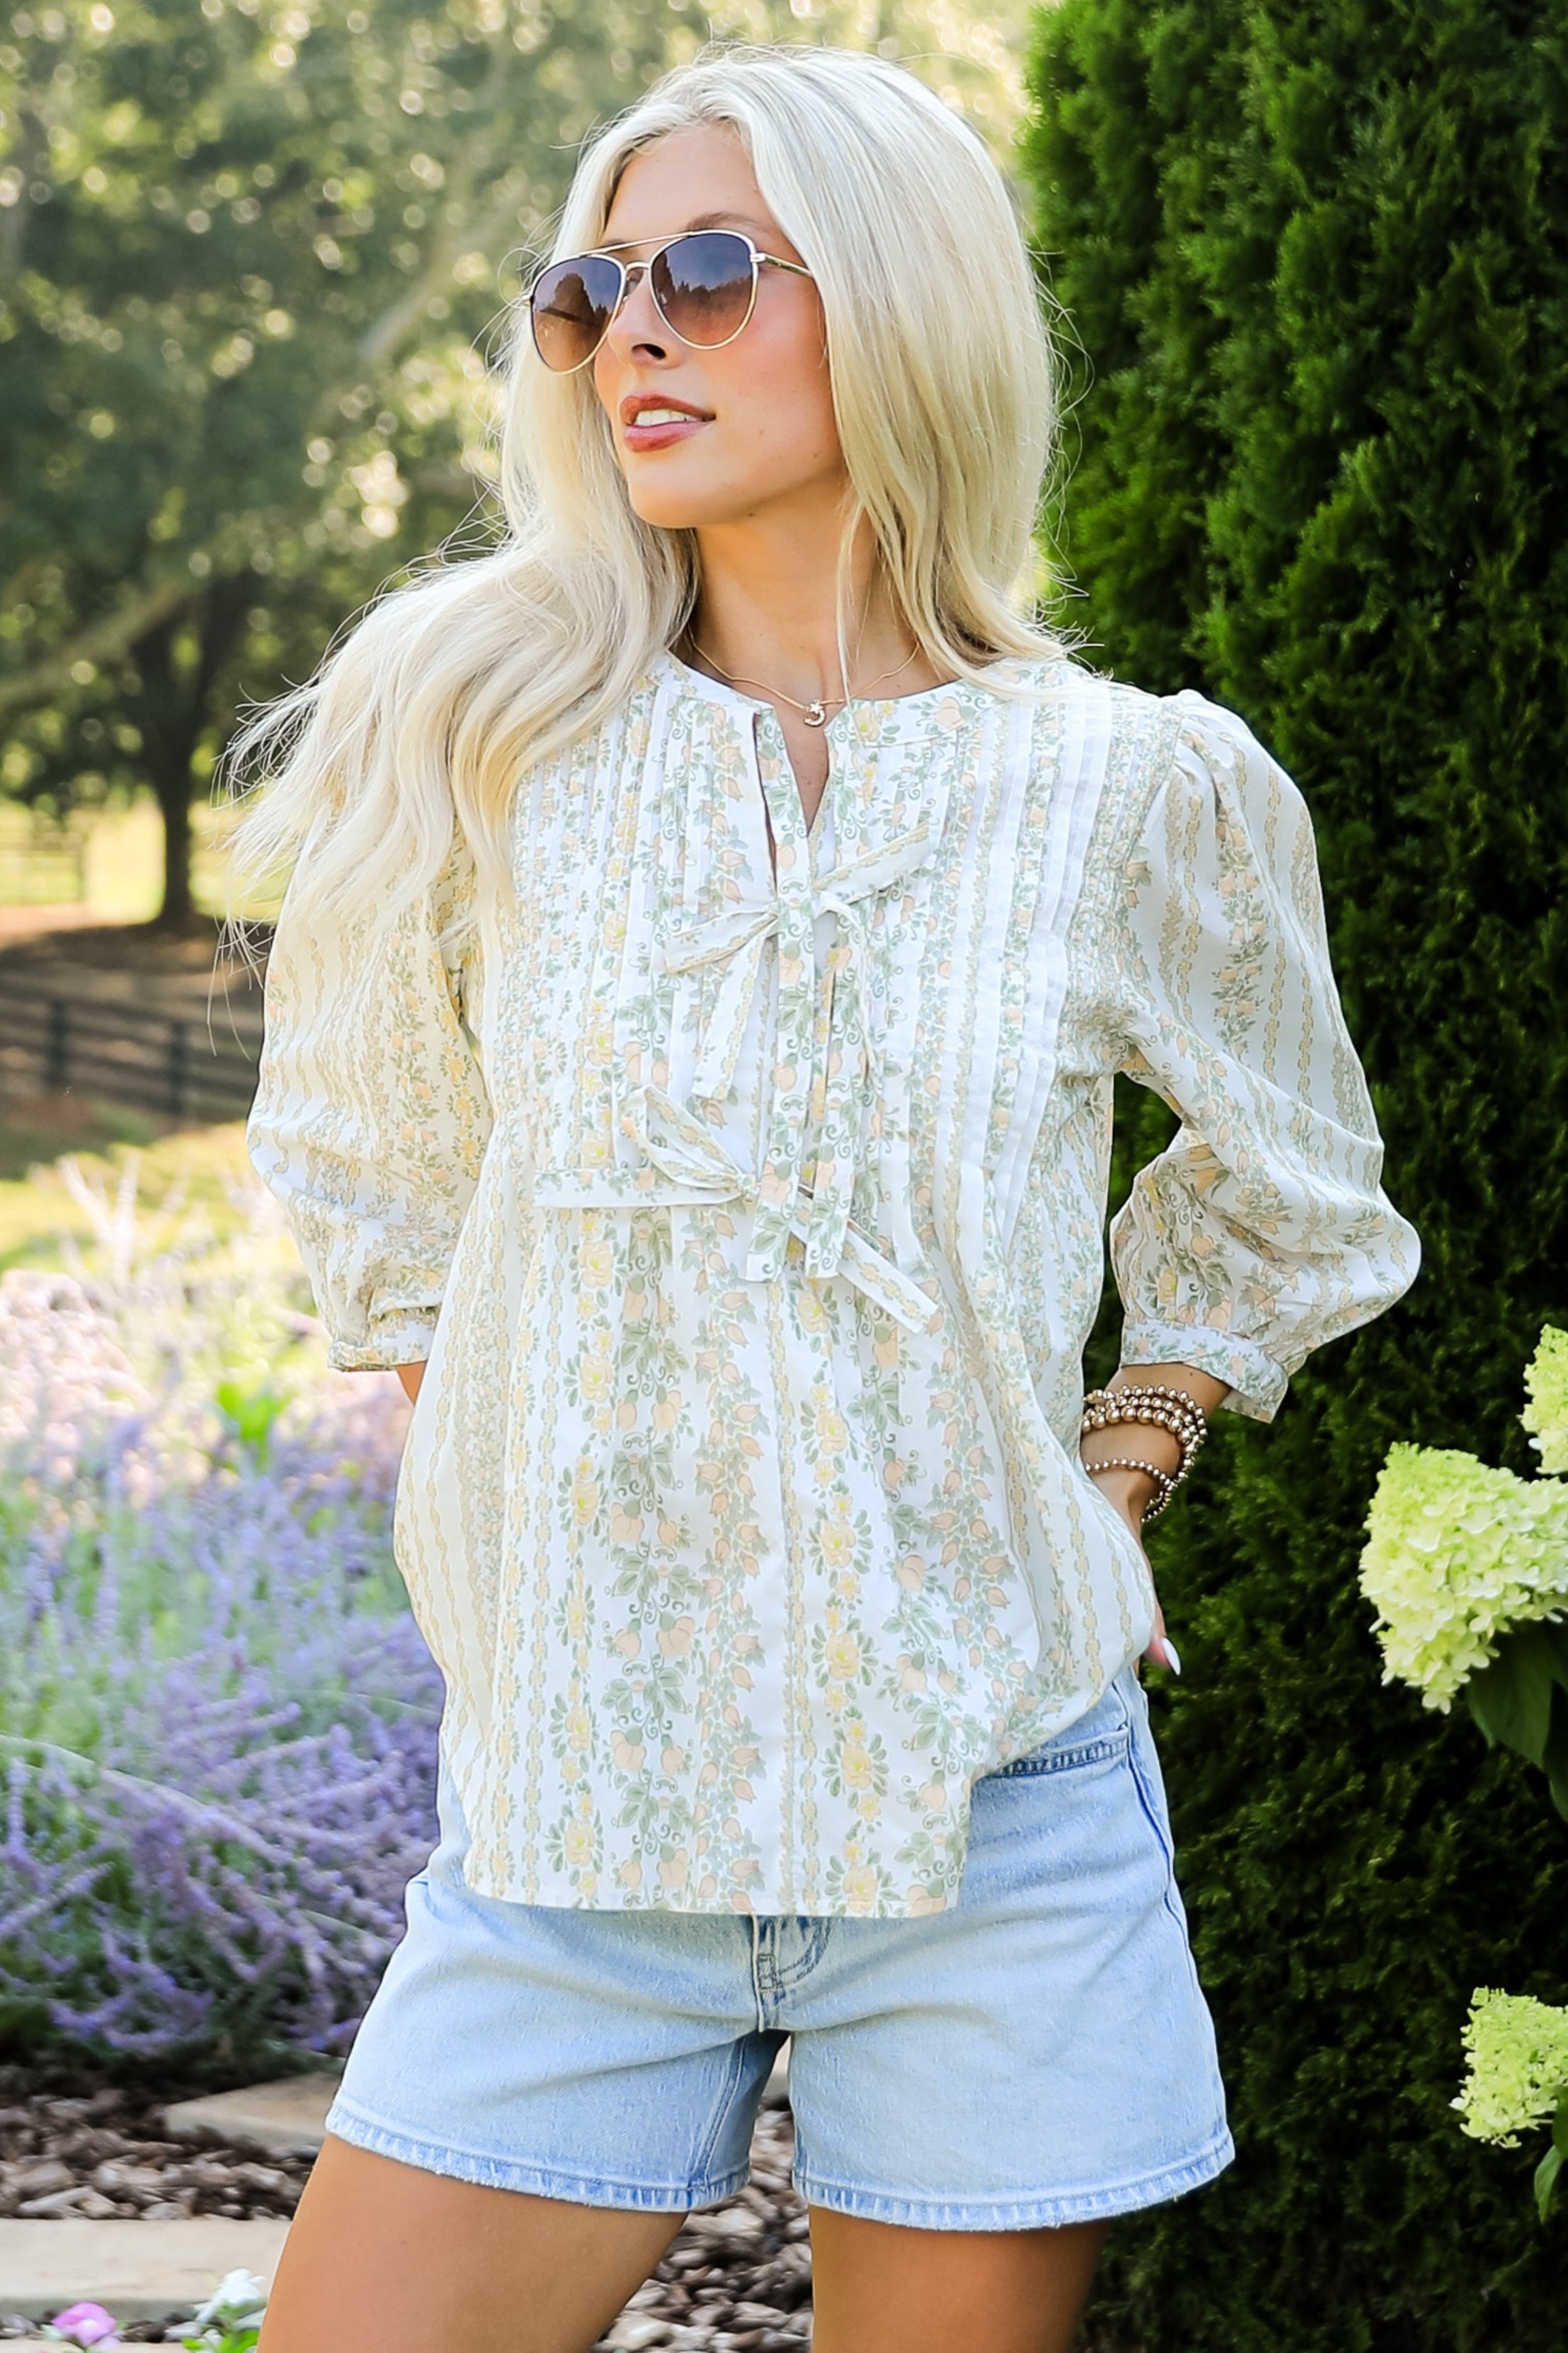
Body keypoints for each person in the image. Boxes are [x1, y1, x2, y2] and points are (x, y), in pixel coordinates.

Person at [233, 42, 1419, 2353]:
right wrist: (547, 1563)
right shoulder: (479, 735)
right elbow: (389, 1187)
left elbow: (1293, 1177)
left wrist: (1123, 1457)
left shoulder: (1125, 786)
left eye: (703, 270)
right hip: (579, 1822)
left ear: (896, 296)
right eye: (588, 292)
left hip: (995, 1809)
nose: (630, 336)